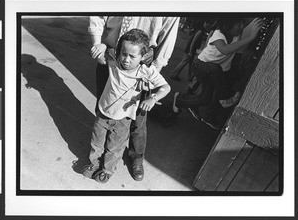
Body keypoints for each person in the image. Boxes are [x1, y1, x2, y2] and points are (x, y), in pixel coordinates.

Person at [87, 16, 179, 181]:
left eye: (131, 57)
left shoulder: (144, 71)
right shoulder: (115, 61)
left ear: (141, 57)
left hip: (125, 112)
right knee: (98, 136)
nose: (126, 60)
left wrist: (152, 95)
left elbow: (168, 34)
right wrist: (100, 43)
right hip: (113, 49)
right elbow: (98, 15)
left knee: (133, 128)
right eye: (124, 55)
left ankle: (122, 164)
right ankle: (94, 162)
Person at [172, 17, 263, 129]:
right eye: (238, 25)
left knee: (205, 99)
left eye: (241, 24)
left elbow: (244, 24)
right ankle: (224, 98)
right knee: (215, 69)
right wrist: (250, 38)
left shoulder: (236, 36)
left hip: (212, 71)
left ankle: (180, 99)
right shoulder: (218, 34)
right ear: (226, 27)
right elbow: (225, 50)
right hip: (201, 66)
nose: (241, 27)